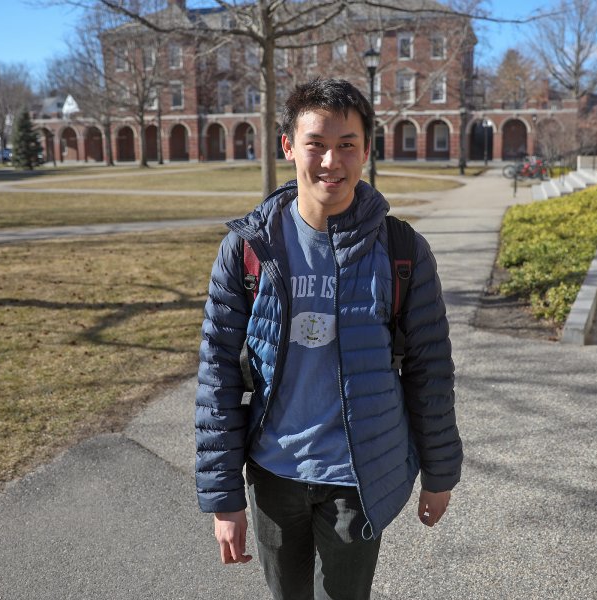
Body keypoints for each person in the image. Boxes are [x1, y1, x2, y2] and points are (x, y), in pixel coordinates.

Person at [195, 77, 463, 600]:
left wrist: (440, 472)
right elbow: (217, 377)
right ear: (289, 146)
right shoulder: (248, 250)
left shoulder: (402, 250)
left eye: (347, 145)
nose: (330, 162)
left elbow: (431, 370)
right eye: (316, 144)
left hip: (357, 478)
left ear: (366, 150)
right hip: (275, 474)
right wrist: (224, 497)